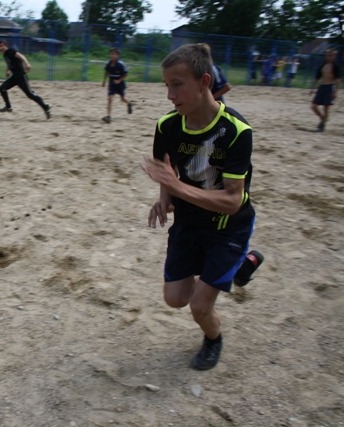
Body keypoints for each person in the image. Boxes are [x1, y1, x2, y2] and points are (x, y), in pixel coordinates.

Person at [141, 43, 263, 371]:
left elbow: (232, 201)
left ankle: (213, 339)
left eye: (177, 85)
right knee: (174, 298)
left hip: (228, 228)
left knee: (198, 307)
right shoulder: (167, 126)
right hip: (189, 223)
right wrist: (166, 198)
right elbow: (168, 173)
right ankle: (242, 267)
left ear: (204, 82)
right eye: (167, 85)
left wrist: (178, 188)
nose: (170, 94)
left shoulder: (237, 131)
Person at [0, 40, 51, 119]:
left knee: (30, 94)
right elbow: (10, 63)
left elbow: (20, 55)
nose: (0, 48)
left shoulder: (10, 51)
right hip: (14, 77)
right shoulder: (5, 54)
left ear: (5, 45)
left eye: (1, 46)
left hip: (21, 76)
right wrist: (7, 70)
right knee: (2, 88)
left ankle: (45, 107)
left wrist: (27, 63)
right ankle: (8, 107)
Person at [309, 49, 340, 132]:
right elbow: (317, 77)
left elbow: (337, 80)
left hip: (330, 87)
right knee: (313, 106)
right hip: (322, 87)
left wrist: (336, 91)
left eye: (331, 55)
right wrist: (312, 88)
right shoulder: (323, 65)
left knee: (326, 108)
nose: (329, 57)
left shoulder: (335, 66)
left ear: (334, 56)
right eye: (328, 55)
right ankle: (323, 119)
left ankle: (322, 125)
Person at [101, 47, 132, 123]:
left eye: (114, 54)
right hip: (111, 83)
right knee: (110, 99)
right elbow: (106, 72)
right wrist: (104, 81)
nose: (113, 56)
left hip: (120, 84)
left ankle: (129, 104)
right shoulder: (108, 64)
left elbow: (125, 74)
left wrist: (119, 80)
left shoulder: (121, 64)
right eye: (111, 54)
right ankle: (108, 116)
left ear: (118, 55)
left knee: (122, 99)